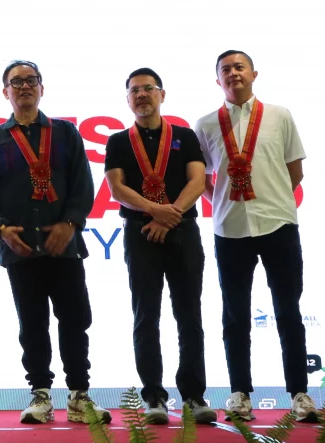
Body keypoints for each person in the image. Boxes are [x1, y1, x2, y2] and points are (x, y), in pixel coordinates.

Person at [0, 60, 111, 425]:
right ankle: (41, 395)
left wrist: (71, 224)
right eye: (16, 82)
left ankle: (79, 395)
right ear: (5, 92)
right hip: (19, 248)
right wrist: (2, 230)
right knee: (32, 325)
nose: (24, 86)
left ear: (42, 88)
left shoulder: (65, 133)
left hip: (64, 246)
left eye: (31, 80)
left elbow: (83, 184)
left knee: (75, 320)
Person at [194, 50, 317, 423]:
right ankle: (240, 394)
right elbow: (201, 179)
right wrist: (223, 201)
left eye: (239, 67)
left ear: (253, 73)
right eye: (225, 70)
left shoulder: (280, 115)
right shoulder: (206, 124)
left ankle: (299, 394)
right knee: (235, 316)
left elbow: (294, 170)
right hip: (229, 229)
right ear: (218, 80)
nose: (233, 73)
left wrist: (271, 197)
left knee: (288, 311)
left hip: (278, 224)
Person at [104, 69, 216, 425]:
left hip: (183, 232)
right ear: (127, 99)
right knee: (145, 316)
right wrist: (156, 211)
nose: (142, 95)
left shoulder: (184, 136)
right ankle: (153, 397)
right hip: (140, 235)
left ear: (162, 95)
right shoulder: (118, 141)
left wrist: (170, 215)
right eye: (134, 90)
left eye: (148, 88)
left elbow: (197, 181)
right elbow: (117, 188)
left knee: (189, 314)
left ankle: (194, 395)